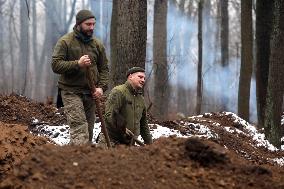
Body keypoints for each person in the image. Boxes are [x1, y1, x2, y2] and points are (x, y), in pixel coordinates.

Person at [51, 10, 109, 145]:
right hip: (70, 91)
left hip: (91, 92)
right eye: (88, 24)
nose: (92, 27)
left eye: (93, 24)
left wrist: (101, 88)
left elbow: (104, 69)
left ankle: (74, 159)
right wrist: (78, 64)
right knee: (79, 127)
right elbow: (55, 65)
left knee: (88, 131)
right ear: (78, 24)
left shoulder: (97, 45)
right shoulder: (65, 42)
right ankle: (78, 162)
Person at [98, 67, 153, 147]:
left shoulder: (141, 99)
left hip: (129, 144)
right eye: (140, 77)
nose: (143, 80)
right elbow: (109, 116)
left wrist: (150, 145)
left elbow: (143, 125)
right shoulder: (118, 92)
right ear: (130, 77)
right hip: (111, 142)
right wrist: (123, 129)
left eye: (144, 78)